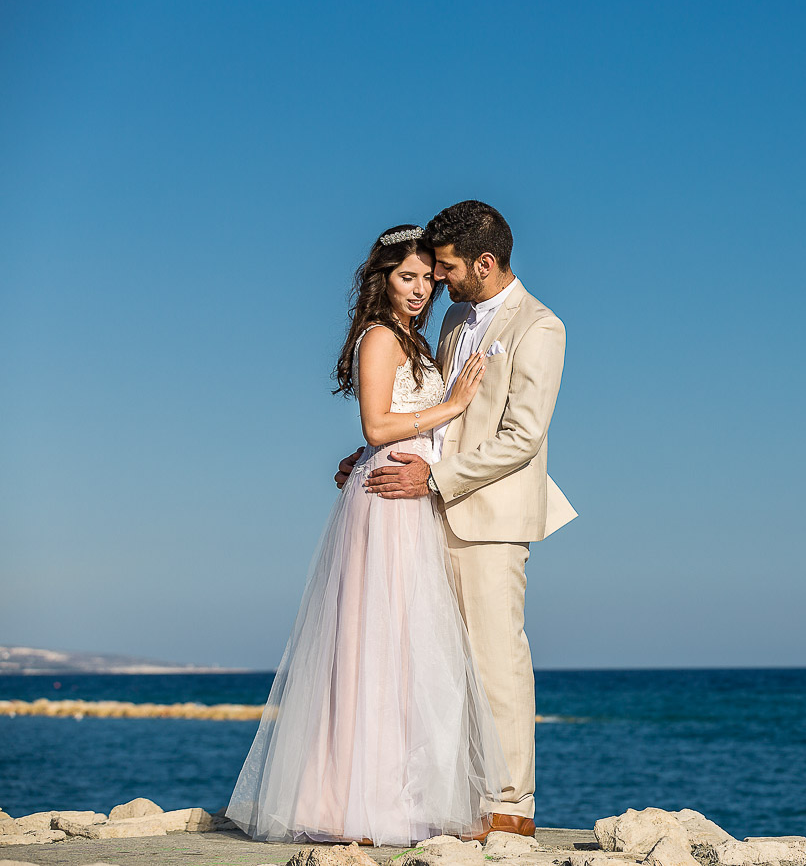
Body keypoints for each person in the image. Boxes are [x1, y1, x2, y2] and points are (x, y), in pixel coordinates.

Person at [225, 224, 509, 848]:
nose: (419, 291)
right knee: (374, 644)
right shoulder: (380, 336)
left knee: (406, 647)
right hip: (386, 505)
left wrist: (369, 450)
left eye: (427, 280)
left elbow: (389, 432)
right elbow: (380, 423)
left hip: (405, 493)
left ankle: (397, 799)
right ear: (381, 279)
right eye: (406, 277)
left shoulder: (415, 339)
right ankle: (348, 802)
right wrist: (455, 404)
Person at [336, 200, 577, 840]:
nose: (436, 281)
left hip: (490, 518)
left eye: (444, 269)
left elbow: (521, 437)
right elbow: (440, 412)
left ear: (486, 263)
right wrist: (376, 453)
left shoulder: (539, 327)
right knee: (441, 666)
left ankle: (510, 806)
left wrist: (433, 477)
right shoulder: (454, 322)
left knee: (497, 661)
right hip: (425, 513)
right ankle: (460, 798)